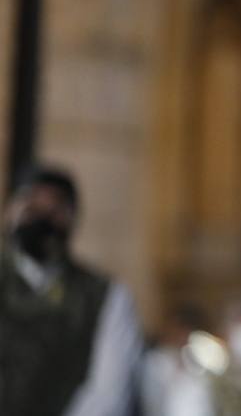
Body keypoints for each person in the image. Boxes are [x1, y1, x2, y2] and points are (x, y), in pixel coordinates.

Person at [0, 164, 143, 416]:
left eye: (55, 208)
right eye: (32, 206)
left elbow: (108, 394)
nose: (43, 216)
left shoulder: (105, 296)